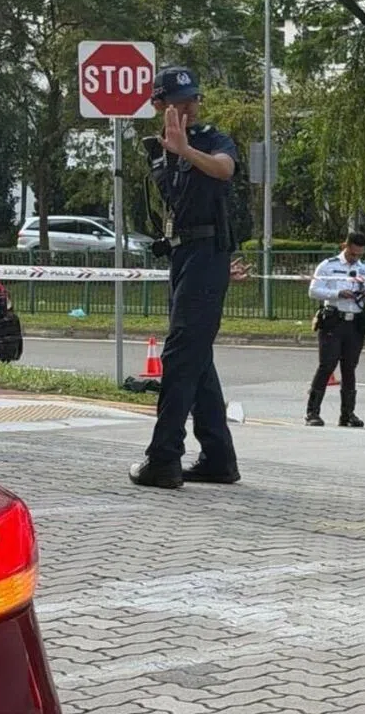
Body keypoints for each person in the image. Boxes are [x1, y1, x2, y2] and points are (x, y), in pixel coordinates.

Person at [129, 66, 251, 490]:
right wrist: (173, 151)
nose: (191, 106)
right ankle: (218, 456)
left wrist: (187, 151)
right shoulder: (157, 149)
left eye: (194, 99)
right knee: (197, 358)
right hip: (184, 256)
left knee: (181, 356)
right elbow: (172, 202)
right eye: (180, 101)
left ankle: (164, 457)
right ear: (159, 105)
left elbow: (223, 170)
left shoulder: (211, 139)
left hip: (207, 254)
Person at [304, 232, 365, 428]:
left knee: (349, 368)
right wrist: (337, 293)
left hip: (355, 323)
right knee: (327, 365)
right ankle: (312, 412)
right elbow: (313, 291)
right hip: (334, 321)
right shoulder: (328, 265)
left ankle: (347, 414)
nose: (355, 258)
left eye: (359, 254)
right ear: (345, 246)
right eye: (352, 253)